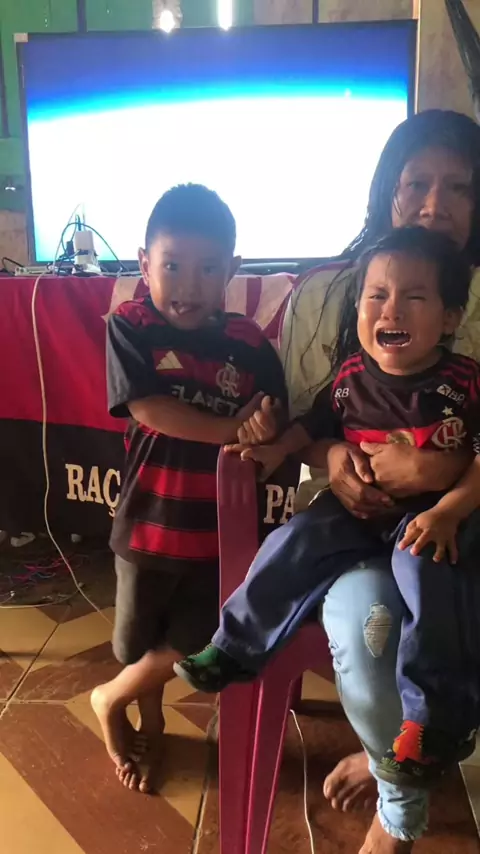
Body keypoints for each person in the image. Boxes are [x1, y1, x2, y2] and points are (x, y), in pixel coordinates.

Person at [174, 226, 480, 792]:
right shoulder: (348, 379)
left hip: (430, 516)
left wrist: (450, 512)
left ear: (449, 318)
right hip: (356, 508)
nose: (392, 309)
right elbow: (312, 429)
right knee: (293, 540)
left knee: (429, 577)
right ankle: (235, 646)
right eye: (376, 295)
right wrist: (276, 450)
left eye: (414, 297)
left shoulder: (465, 384)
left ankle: (435, 723)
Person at [279, 110, 480, 854]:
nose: (434, 205)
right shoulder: (329, 296)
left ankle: (397, 772)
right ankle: (399, 791)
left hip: (462, 526)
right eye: (415, 184)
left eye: (458, 187)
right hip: (356, 528)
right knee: (371, 636)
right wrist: (333, 457)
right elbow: (308, 424)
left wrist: (439, 474)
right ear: (385, 191)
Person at [91, 183, 286, 793]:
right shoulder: (132, 325)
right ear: (144, 263)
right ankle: (148, 721)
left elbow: (272, 416)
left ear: (231, 268)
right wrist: (231, 427)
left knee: (200, 635)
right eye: (172, 266)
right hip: (146, 527)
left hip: (218, 533)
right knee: (136, 642)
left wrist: (264, 426)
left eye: (207, 268)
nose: (189, 284)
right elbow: (149, 409)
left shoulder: (248, 343)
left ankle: (107, 698)